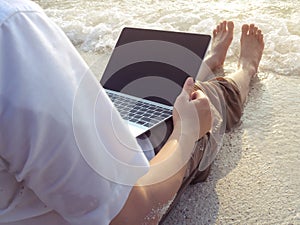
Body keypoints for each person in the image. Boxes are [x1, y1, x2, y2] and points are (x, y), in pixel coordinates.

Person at [0, 1, 264, 225]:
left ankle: (205, 63)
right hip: (144, 172)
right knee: (207, 97)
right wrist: (187, 133)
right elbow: (132, 213)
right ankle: (245, 68)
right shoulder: (11, 26)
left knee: (154, 96)